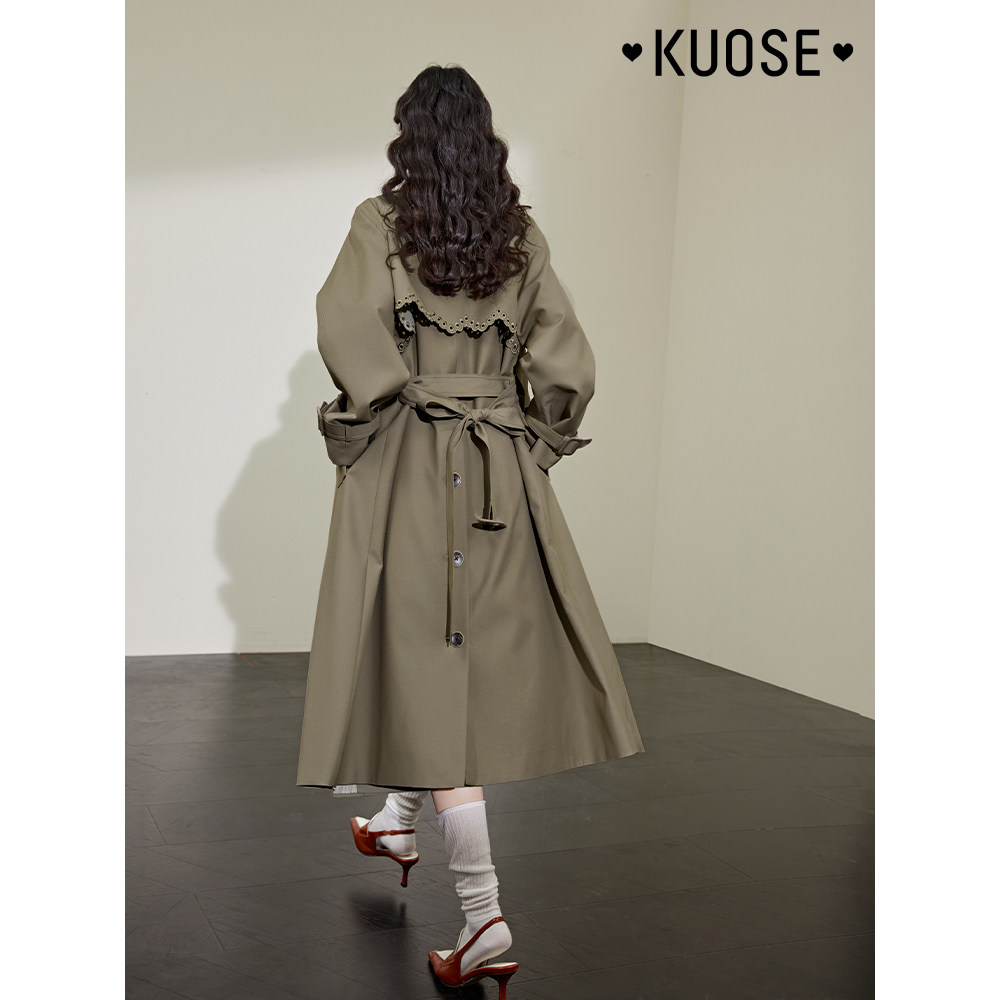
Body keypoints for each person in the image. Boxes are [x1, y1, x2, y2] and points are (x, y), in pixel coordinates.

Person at [296, 64, 644, 997]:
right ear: (485, 137)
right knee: (447, 662)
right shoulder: (520, 238)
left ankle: (485, 915)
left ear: (408, 134)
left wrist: (362, 426)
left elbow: (349, 334)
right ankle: (396, 823)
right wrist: (539, 440)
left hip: (410, 467)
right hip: (498, 470)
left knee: (429, 658)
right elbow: (568, 367)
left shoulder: (380, 224)